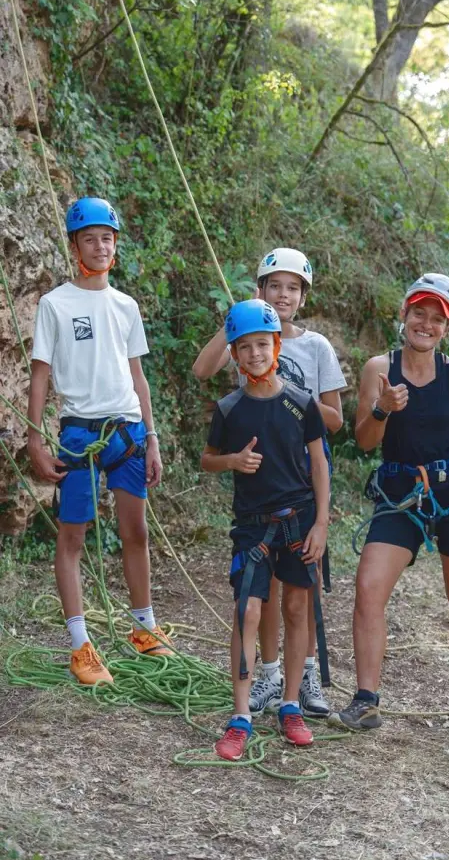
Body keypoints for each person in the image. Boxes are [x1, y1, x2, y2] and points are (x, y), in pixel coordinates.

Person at [333, 273, 449, 733]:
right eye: (418, 313)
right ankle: (366, 701)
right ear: (404, 314)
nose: (425, 324)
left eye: (436, 318)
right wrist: (383, 406)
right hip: (401, 492)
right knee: (368, 588)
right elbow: (365, 441)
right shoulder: (377, 368)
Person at [193, 248, 345, 717]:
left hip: (300, 477)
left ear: (303, 295)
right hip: (259, 485)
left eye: (292, 287)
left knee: (301, 590)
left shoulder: (315, 346)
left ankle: (305, 681)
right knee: (263, 592)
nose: (283, 294)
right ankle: (270, 674)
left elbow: (334, 418)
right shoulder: (245, 338)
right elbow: (203, 371)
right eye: (273, 285)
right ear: (260, 289)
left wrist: (296, 414)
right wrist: (237, 319)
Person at [27, 197, 171, 686]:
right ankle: (80, 646)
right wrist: (35, 437)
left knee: (137, 532)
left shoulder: (125, 306)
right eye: (89, 238)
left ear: (116, 245)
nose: (100, 245)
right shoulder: (55, 304)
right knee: (73, 537)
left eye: (106, 237)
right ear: (74, 246)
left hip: (127, 431)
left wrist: (151, 437)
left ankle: (143, 628)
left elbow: (139, 376)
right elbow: (41, 375)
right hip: (80, 433)